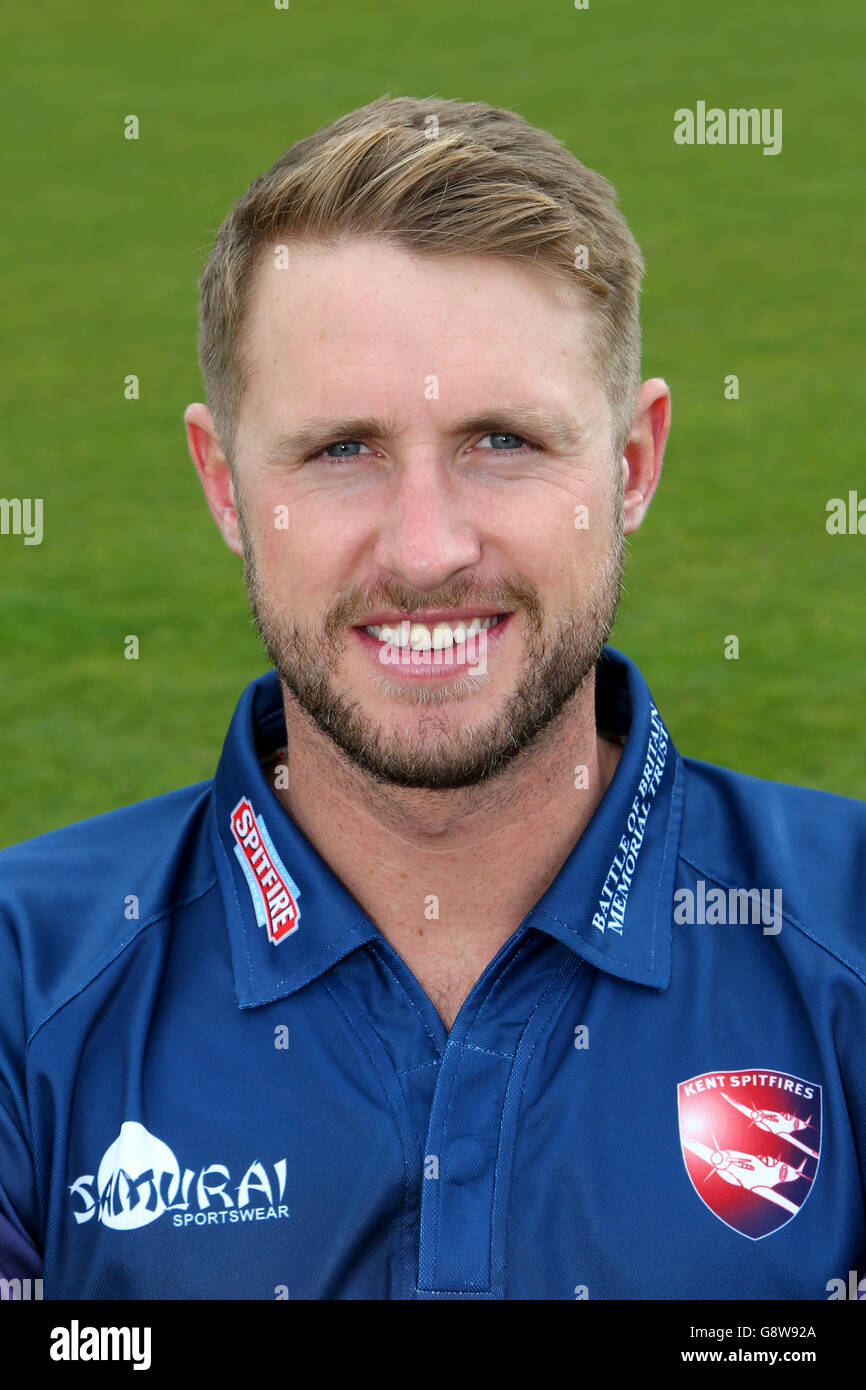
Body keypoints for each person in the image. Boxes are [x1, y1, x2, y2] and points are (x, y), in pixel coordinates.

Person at [1, 95, 863, 1302]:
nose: (423, 550)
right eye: (340, 450)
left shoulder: (846, 935)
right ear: (224, 483)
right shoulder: (20, 979)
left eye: (501, 440)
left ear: (630, 463)